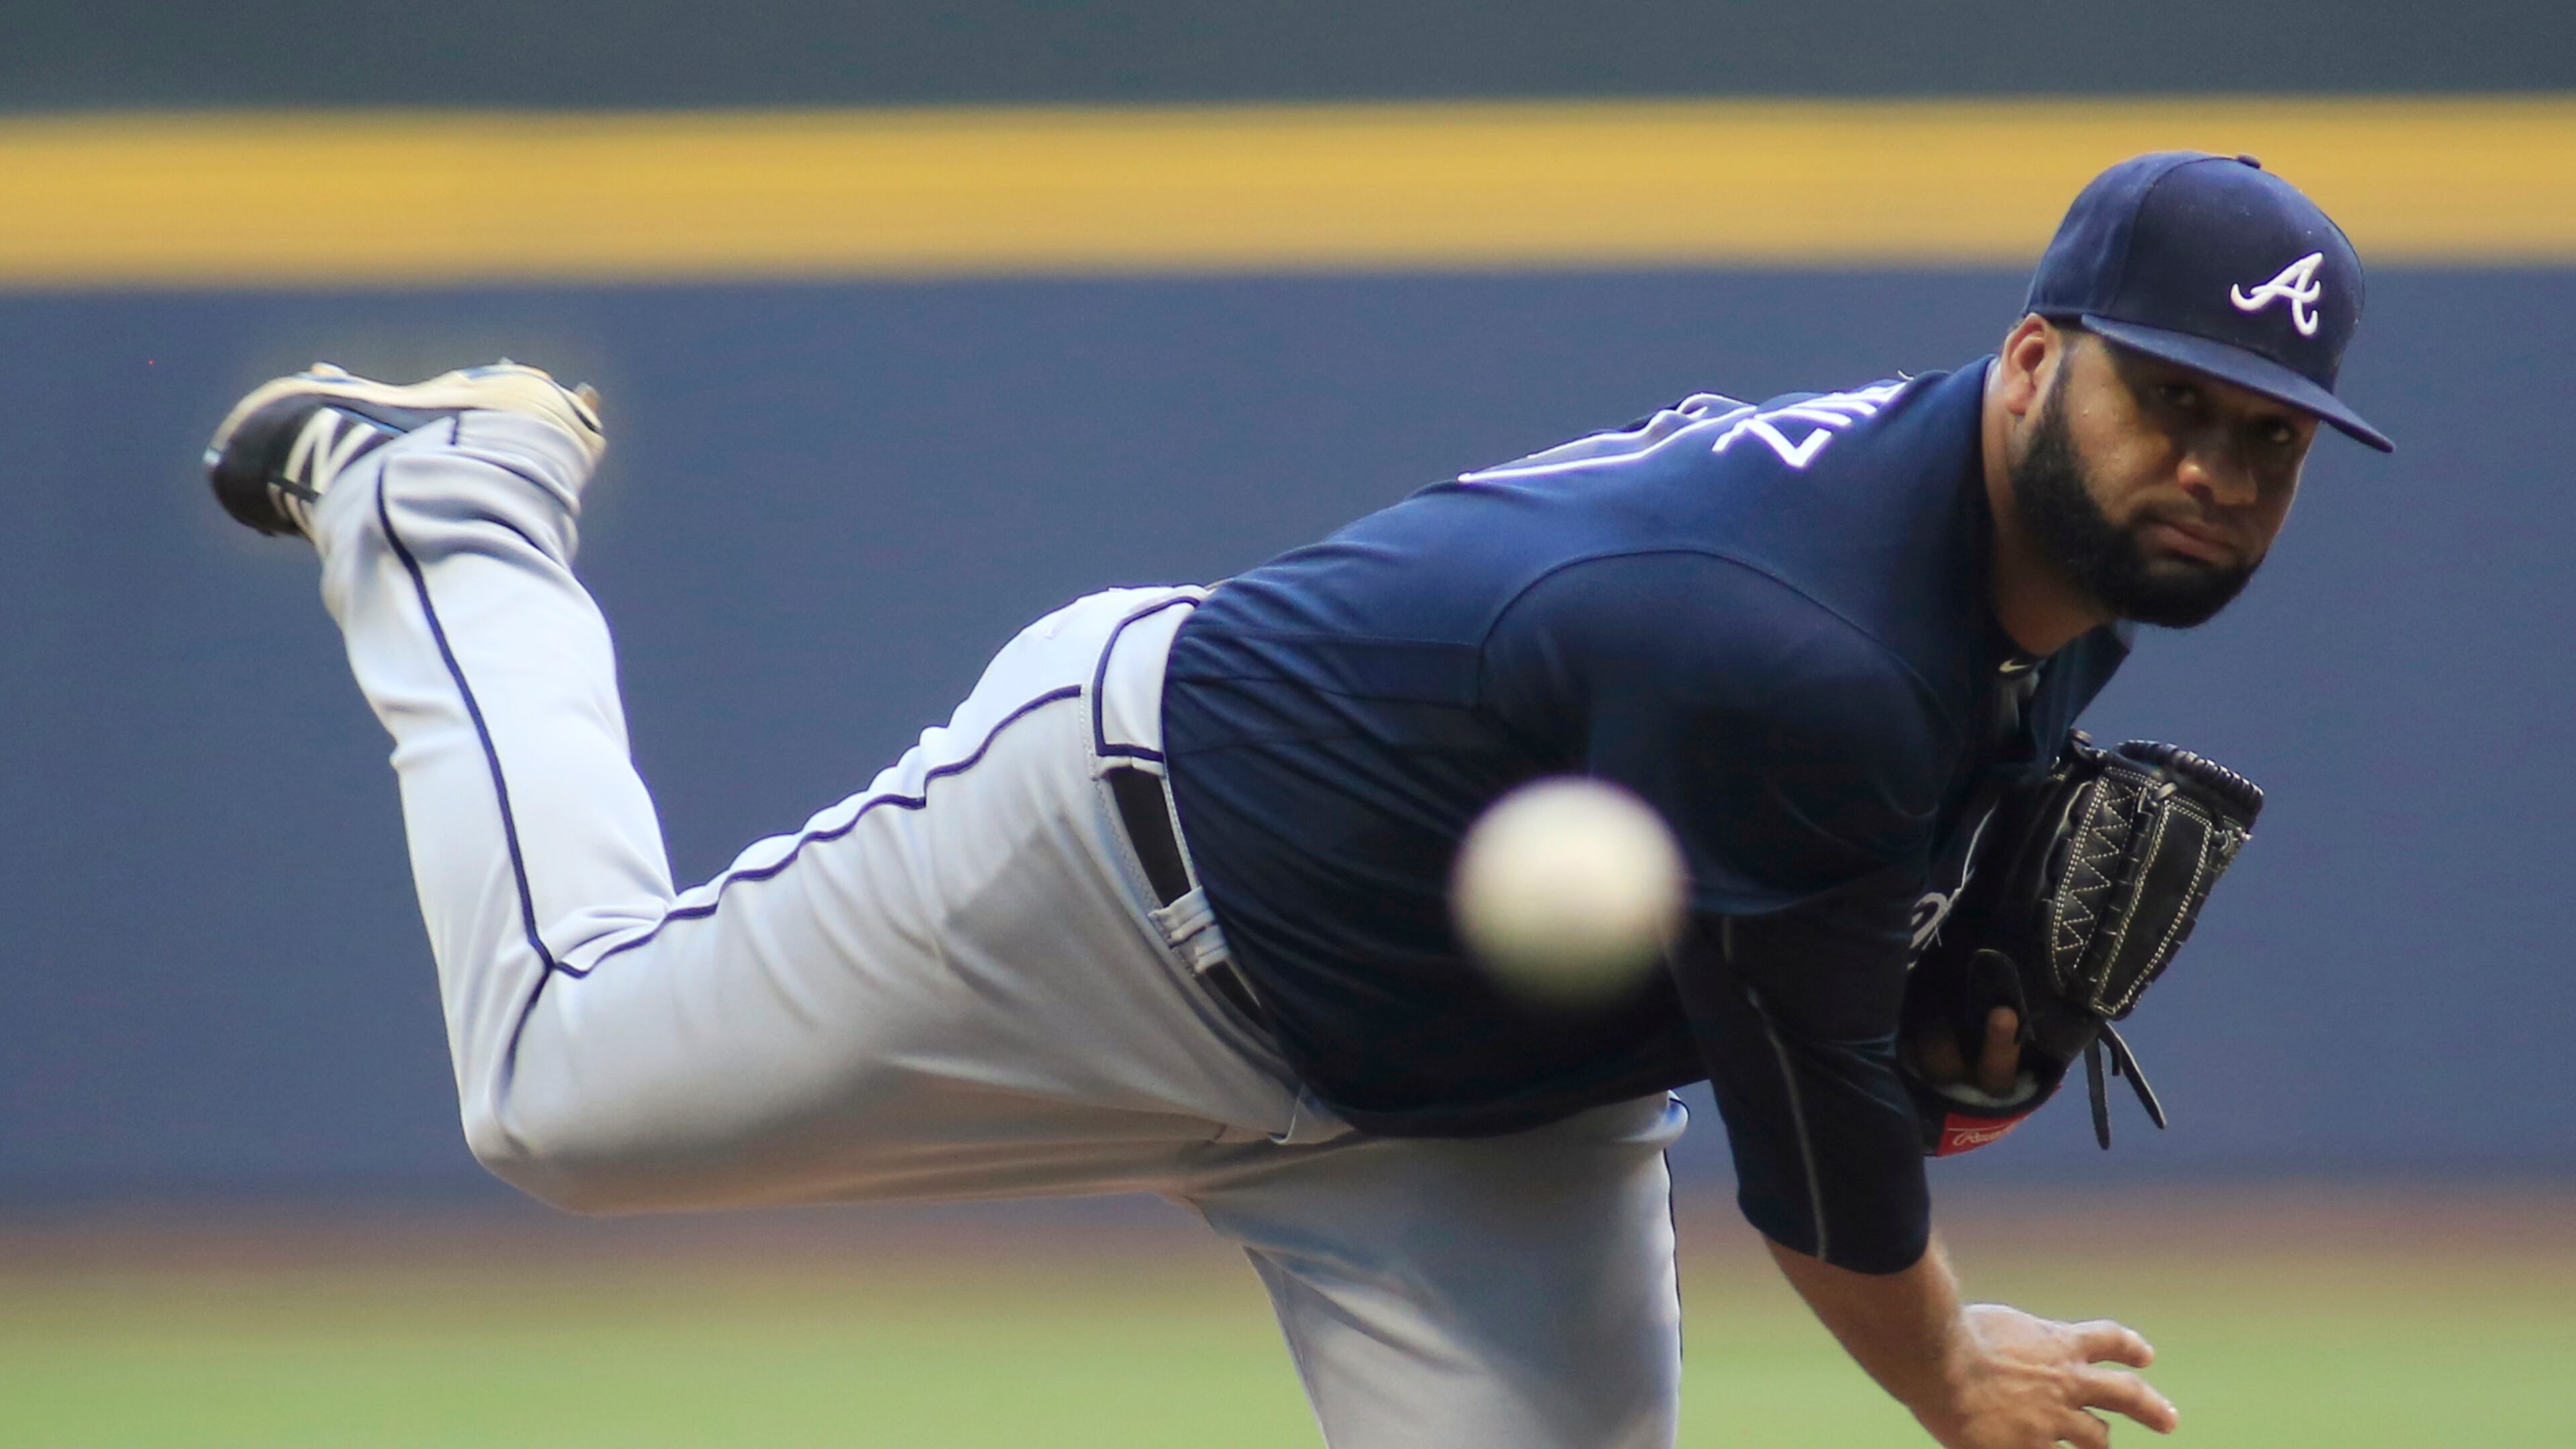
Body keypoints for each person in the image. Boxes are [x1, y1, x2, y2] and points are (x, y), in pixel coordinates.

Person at [203, 151, 2385, 1449]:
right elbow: (1821, 1175)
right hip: (1115, 887)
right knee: (556, 1091)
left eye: (2265, 439)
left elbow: (1841, 1015)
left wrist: (1944, 1041)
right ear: (2032, 361)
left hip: (1478, 1125)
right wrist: (1946, 1370)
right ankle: (451, 502)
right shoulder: (1805, 652)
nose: (2208, 465)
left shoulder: (2068, 581)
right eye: (2165, 402)